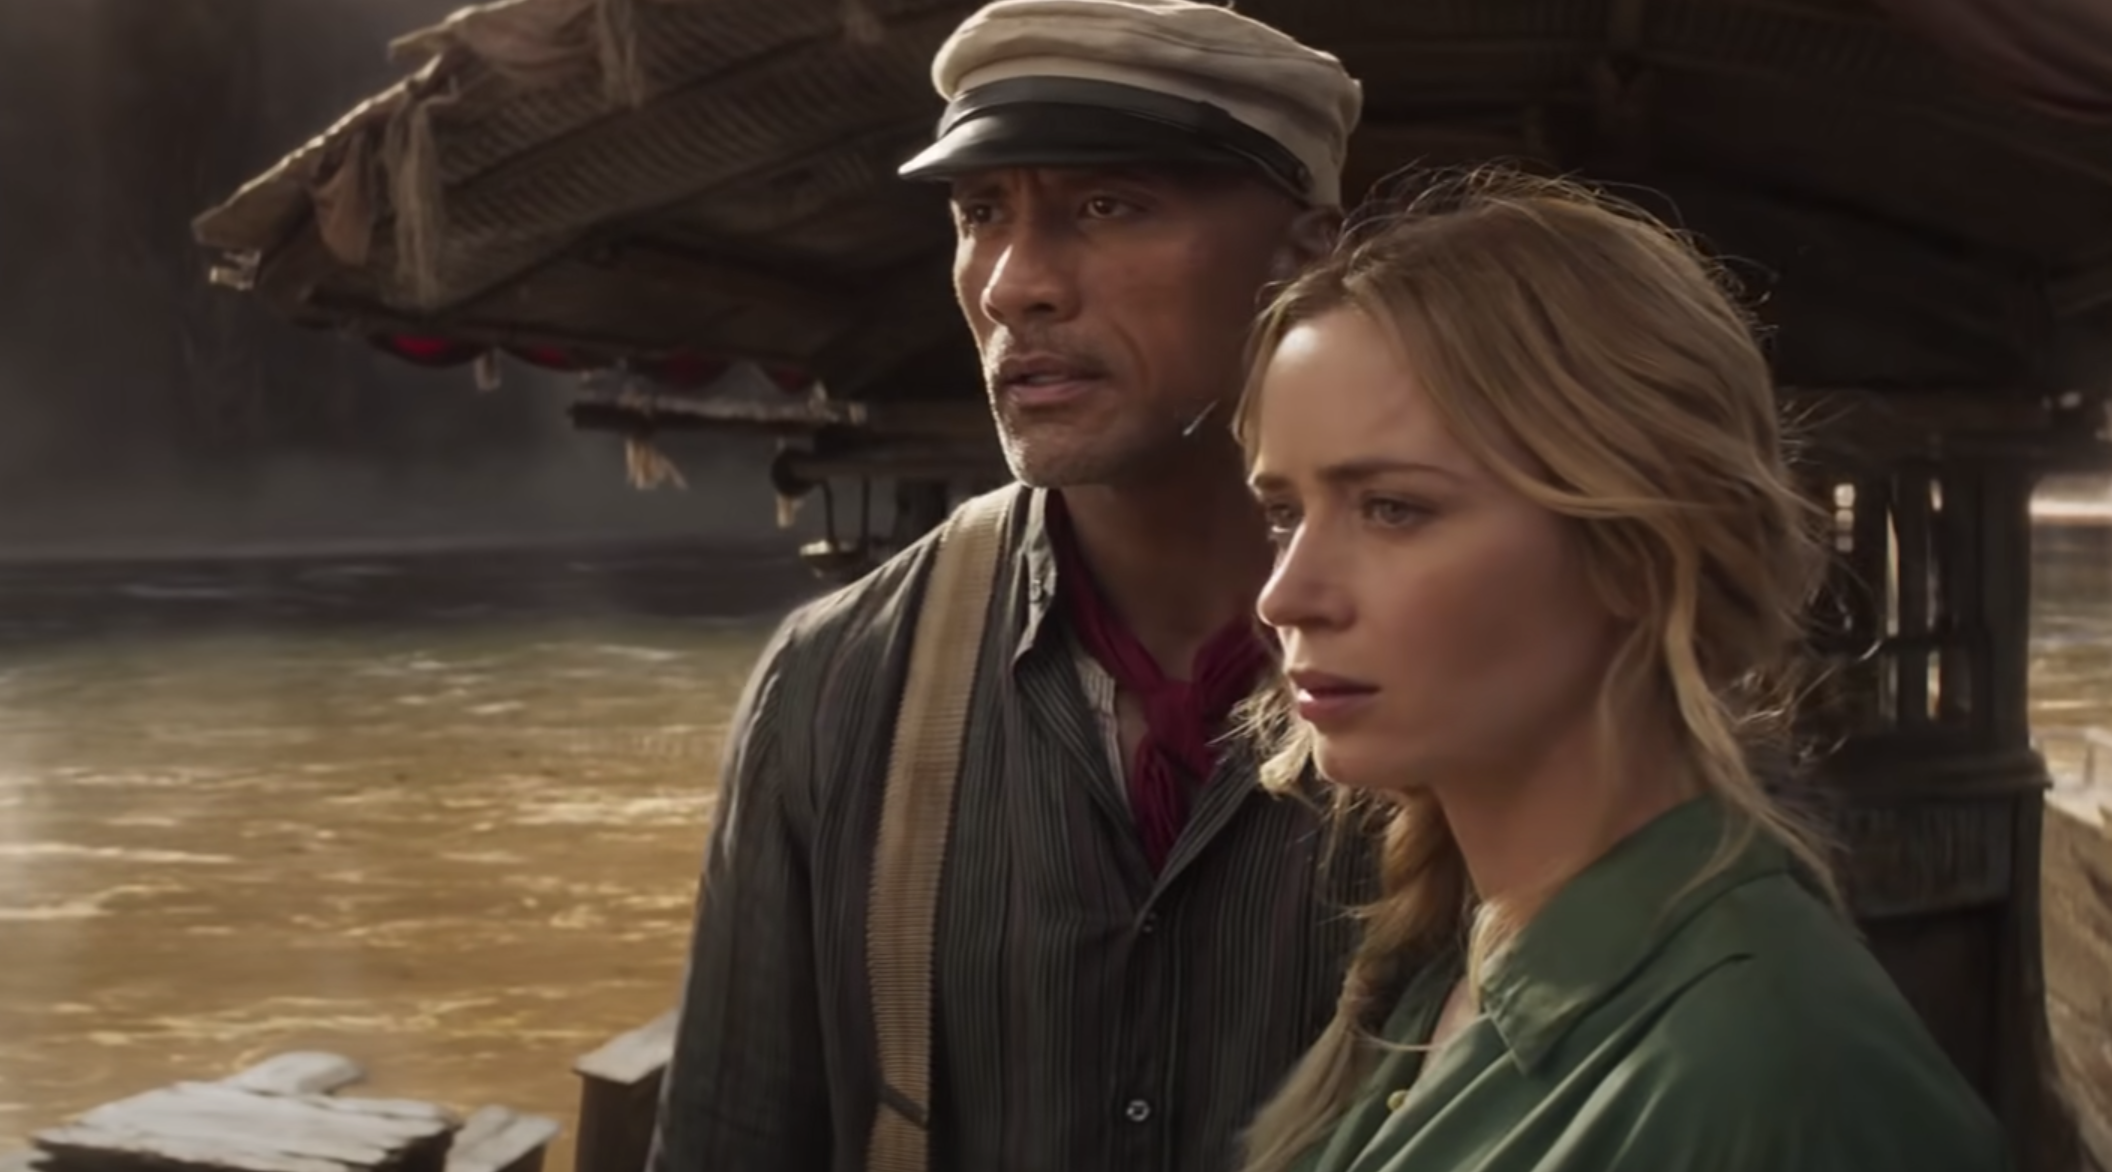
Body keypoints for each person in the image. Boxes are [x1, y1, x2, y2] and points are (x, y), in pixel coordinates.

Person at [645, 3, 1370, 1171]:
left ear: (1304, 251)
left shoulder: (1477, 659)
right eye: (981, 214)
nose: (1015, 286)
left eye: (1107, 206)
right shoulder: (840, 684)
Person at [1233, 167, 2012, 1172]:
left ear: (1638, 550)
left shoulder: (1772, 1073)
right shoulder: (1451, 966)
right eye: (1283, 513)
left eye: (1393, 507)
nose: (1285, 595)